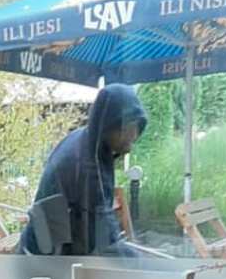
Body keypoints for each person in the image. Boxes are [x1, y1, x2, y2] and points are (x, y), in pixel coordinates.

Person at [19, 83, 147, 256]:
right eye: (126, 132)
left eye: (136, 128)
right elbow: (105, 242)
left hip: (53, 245)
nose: (131, 140)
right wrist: (142, 263)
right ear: (108, 125)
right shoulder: (86, 168)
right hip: (42, 259)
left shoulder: (88, 140)